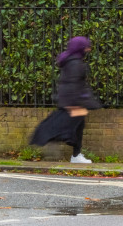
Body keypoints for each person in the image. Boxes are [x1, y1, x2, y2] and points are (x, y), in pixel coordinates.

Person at [29, 36, 101, 164]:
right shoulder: (75, 63)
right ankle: (63, 146)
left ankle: (74, 154)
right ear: (80, 48)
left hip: (70, 101)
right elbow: (73, 84)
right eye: (86, 47)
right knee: (68, 128)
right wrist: (74, 105)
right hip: (73, 103)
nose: (88, 49)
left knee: (74, 126)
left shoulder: (71, 61)